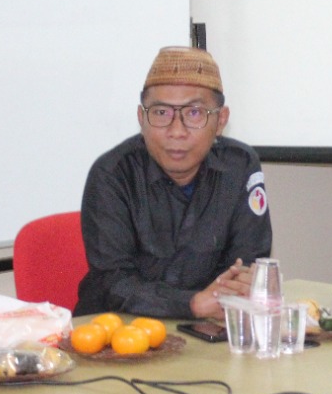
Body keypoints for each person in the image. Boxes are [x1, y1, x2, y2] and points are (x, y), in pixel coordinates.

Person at [74, 46, 271, 319]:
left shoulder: (239, 166)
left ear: (221, 120)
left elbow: (248, 263)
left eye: (194, 113)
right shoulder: (112, 174)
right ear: (141, 118)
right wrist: (192, 304)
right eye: (161, 113)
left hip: (207, 329)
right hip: (118, 330)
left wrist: (234, 289)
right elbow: (112, 281)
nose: (176, 131)